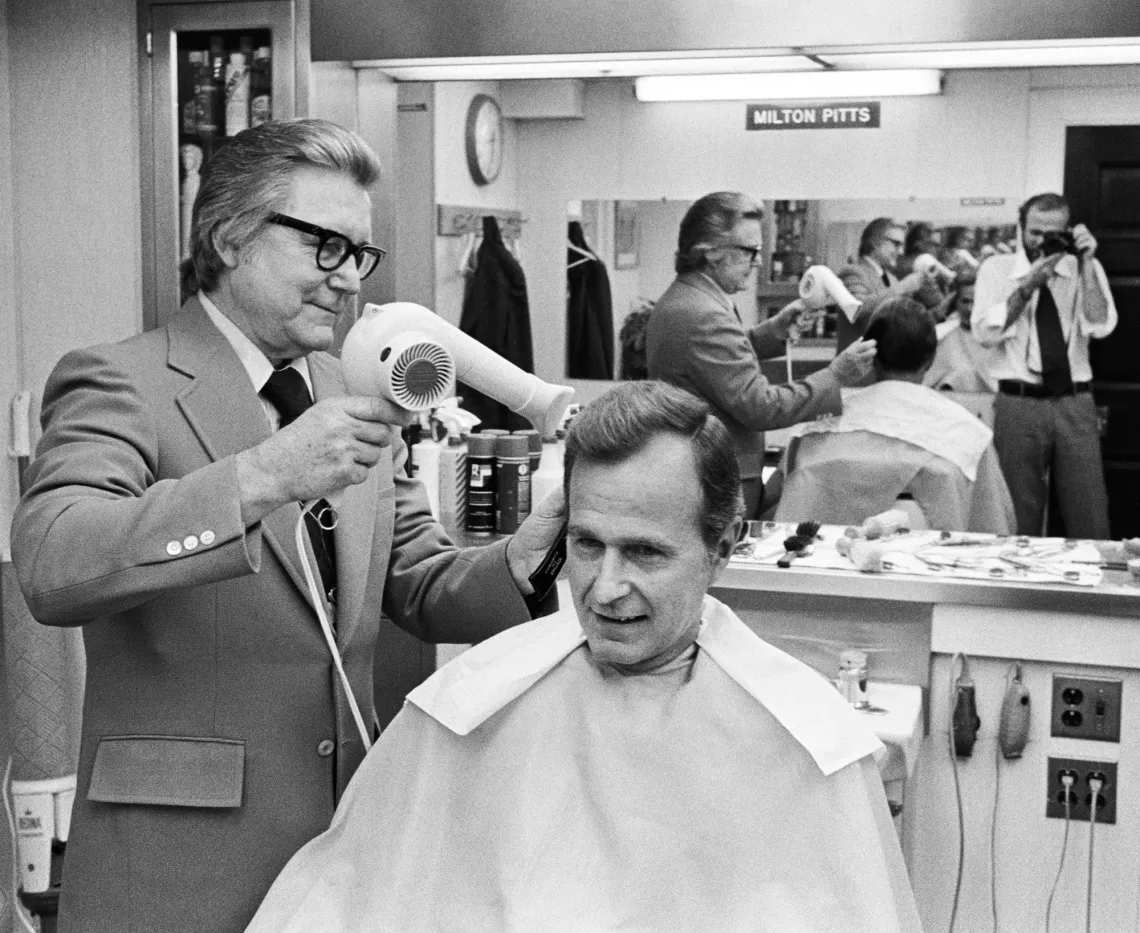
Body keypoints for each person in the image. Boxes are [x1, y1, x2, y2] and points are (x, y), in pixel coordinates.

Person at [9, 118, 562, 933]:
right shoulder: (120, 380)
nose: (348, 281)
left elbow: (416, 577)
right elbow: (53, 561)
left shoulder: (350, 383)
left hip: (343, 850)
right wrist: (263, 474)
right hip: (175, 871)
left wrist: (525, 557)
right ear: (231, 238)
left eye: (360, 254)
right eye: (324, 246)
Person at [244, 380, 923, 933]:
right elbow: (345, 905)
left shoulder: (805, 745)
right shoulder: (470, 707)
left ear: (721, 547)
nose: (605, 587)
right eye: (588, 544)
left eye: (647, 552)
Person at [646, 191, 878, 518]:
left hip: (702, 470)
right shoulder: (704, 315)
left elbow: (714, 366)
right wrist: (837, 375)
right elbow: (762, 407)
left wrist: (773, 332)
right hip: (716, 479)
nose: (758, 261)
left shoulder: (689, 299)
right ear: (711, 253)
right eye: (750, 251)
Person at [776, 297, 1015, 534]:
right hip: (934, 562)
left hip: (819, 561)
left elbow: (778, 515)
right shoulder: (969, 434)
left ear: (871, 357)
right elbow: (993, 530)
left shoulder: (814, 430)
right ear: (930, 359)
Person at [971, 192, 1117, 538]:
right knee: (1017, 515)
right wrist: (1027, 286)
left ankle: (1091, 590)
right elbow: (984, 333)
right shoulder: (997, 269)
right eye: (1034, 232)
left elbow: (1100, 326)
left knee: (1089, 511)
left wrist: (1086, 264)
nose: (1041, 241)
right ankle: (1018, 591)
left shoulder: (1087, 268)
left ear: (1069, 231)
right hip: (1018, 403)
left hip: (1074, 402)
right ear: (1020, 228)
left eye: (1052, 233)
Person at [836, 217, 937, 351]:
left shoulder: (892, 279)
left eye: (902, 245)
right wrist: (902, 288)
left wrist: (942, 309)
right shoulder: (852, 272)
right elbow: (856, 309)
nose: (900, 252)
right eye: (896, 244)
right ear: (874, 242)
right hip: (856, 364)